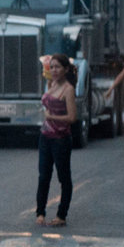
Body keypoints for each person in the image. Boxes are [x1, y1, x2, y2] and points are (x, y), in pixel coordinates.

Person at [36, 54, 78, 227]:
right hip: (45, 137)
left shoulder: (68, 90)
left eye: (57, 67)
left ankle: (62, 215)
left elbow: (72, 117)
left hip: (61, 139)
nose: (54, 70)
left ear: (65, 69)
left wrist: (51, 117)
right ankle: (40, 212)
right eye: (51, 67)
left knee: (63, 177)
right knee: (43, 176)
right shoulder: (51, 84)